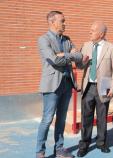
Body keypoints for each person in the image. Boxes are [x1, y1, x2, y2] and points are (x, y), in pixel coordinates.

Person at [36, 11, 83, 158]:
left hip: (67, 84)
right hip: (51, 85)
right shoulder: (43, 39)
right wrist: (69, 56)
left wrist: (64, 55)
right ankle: (40, 152)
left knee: (61, 118)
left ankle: (59, 149)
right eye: (62, 21)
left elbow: (80, 56)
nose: (65, 23)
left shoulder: (67, 40)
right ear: (52, 22)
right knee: (47, 118)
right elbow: (54, 60)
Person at [76, 21, 113, 157]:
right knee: (86, 117)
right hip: (88, 86)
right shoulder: (86, 46)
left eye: (93, 30)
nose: (90, 32)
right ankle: (84, 144)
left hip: (104, 86)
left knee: (102, 117)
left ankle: (101, 143)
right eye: (90, 30)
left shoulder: (112, 48)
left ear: (101, 34)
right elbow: (79, 66)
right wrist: (82, 62)